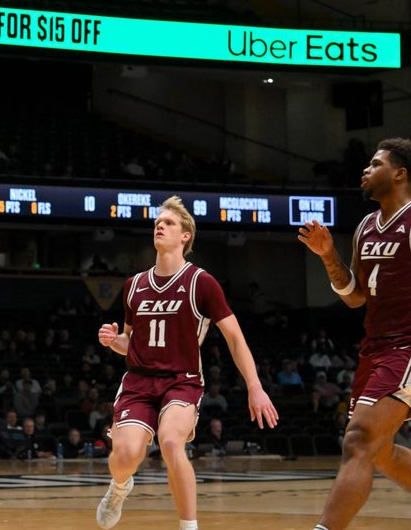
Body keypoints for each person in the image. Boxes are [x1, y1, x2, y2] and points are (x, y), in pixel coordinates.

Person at [96, 195, 277, 530]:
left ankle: (189, 526)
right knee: (125, 458)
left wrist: (255, 387)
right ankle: (120, 487)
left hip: (181, 380)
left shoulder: (201, 283)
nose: (159, 227)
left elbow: (235, 339)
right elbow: (130, 344)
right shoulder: (133, 285)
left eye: (168, 223)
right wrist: (113, 341)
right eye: (157, 223)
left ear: (185, 236)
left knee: (170, 441)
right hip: (138, 381)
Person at [298, 138, 411, 530]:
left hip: (407, 347)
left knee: (359, 440)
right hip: (375, 348)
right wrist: (329, 255)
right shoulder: (365, 227)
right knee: (375, 451)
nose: (365, 169)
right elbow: (355, 297)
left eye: (375, 163)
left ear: (399, 174)